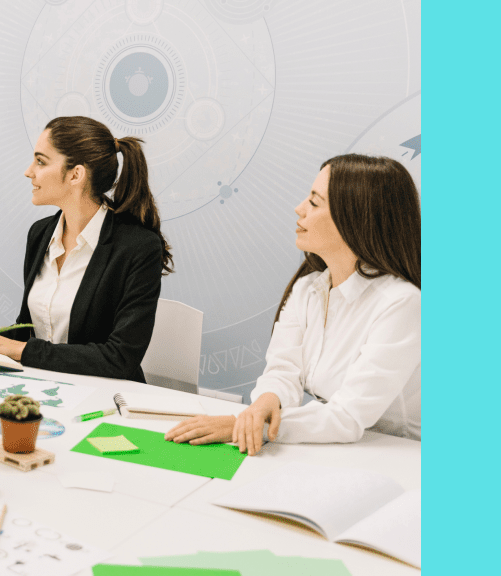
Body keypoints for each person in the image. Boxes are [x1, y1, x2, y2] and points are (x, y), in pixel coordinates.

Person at [165, 153, 420, 454]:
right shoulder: (308, 288)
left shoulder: (402, 304)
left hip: (403, 459)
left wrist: (247, 427)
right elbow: (283, 371)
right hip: (340, 449)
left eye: (314, 202)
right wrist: (262, 405)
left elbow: (348, 416)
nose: (299, 209)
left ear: (354, 217)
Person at [0, 115, 173, 382]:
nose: (29, 171)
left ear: (76, 174)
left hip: (104, 397)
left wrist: (22, 350)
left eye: (40, 161)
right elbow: (29, 330)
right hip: (45, 386)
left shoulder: (138, 248)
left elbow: (119, 358)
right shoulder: (41, 234)